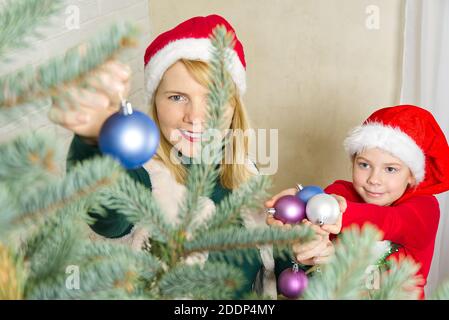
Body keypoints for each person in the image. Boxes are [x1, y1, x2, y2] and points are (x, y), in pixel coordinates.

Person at [48, 14, 276, 299]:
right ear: (154, 101)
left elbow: (262, 260)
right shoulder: (141, 171)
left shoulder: (246, 169)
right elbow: (105, 210)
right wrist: (93, 138)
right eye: (177, 97)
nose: (195, 117)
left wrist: (301, 255)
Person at [266, 105, 449, 299]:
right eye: (364, 165)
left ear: (412, 175)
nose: (374, 179)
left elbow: (389, 221)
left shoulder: (424, 207)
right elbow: (318, 226)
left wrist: (330, 209)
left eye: (390, 169)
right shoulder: (340, 191)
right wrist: (309, 237)